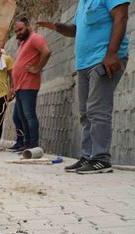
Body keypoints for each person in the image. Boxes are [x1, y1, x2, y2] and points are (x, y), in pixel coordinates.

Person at [38, 1, 130, 174]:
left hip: (103, 59)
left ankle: (101, 159)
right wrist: (57, 27)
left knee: (98, 110)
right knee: (85, 113)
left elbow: (121, 16)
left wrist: (111, 53)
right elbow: (75, 30)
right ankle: (88, 157)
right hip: (84, 64)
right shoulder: (83, 3)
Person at [9, 17, 52, 152]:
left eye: (20, 29)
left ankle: (33, 145)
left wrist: (37, 68)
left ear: (28, 26)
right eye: (16, 31)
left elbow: (47, 51)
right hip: (20, 86)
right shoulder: (23, 43)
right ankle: (26, 144)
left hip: (29, 85)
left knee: (29, 116)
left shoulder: (35, 38)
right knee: (22, 117)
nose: (18, 33)